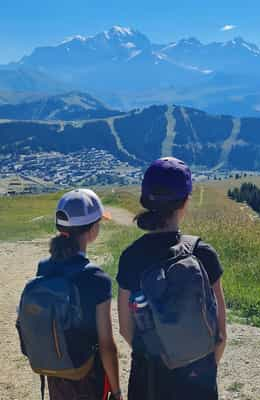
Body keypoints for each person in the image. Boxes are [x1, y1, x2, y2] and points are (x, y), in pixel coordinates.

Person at [117, 157, 227, 400]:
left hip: (149, 381)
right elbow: (220, 334)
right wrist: (204, 367)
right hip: (198, 379)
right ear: (185, 202)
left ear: (145, 200)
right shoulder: (203, 253)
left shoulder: (130, 258)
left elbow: (126, 329)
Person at [17, 189, 123, 400]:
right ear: (92, 230)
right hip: (88, 375)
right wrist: (117, 391)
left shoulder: (44, 268)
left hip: (57, 372)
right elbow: (106, 343)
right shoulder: (96, 277)